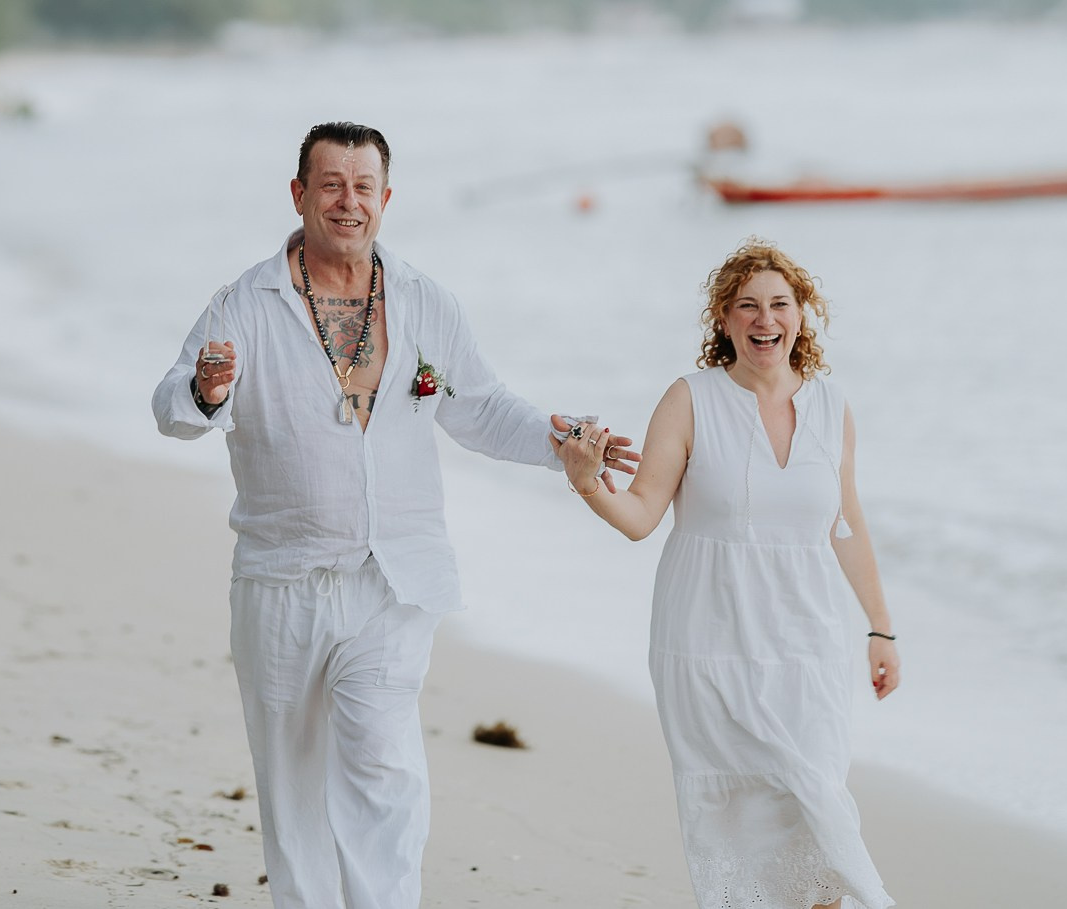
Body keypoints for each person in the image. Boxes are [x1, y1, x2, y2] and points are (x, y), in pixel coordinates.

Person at [154, 122, 637, 909]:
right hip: (283, 581)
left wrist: (565, 440)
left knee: (385, 768)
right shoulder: (242, 303)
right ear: (300, 193)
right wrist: (207, 392)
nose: (349, 200)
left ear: (386, 197)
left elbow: (482, 408)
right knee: (293, 784)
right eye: (332, 183)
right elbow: (172, 407)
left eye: (364, 185)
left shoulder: (424, 301)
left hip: (395, 580)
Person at [553, 239, 898, 909]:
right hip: (709, 641)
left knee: (817, 803)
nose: (764, 319)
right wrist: (587, 480)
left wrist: (882, 630)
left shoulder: (832, 408)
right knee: (739, 812)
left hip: (809, 644)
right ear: (724, 319)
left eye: (778, 304)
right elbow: (641, 515)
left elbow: (846, 523)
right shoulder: (691, 400)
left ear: (802, 315)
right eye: (747, 306)